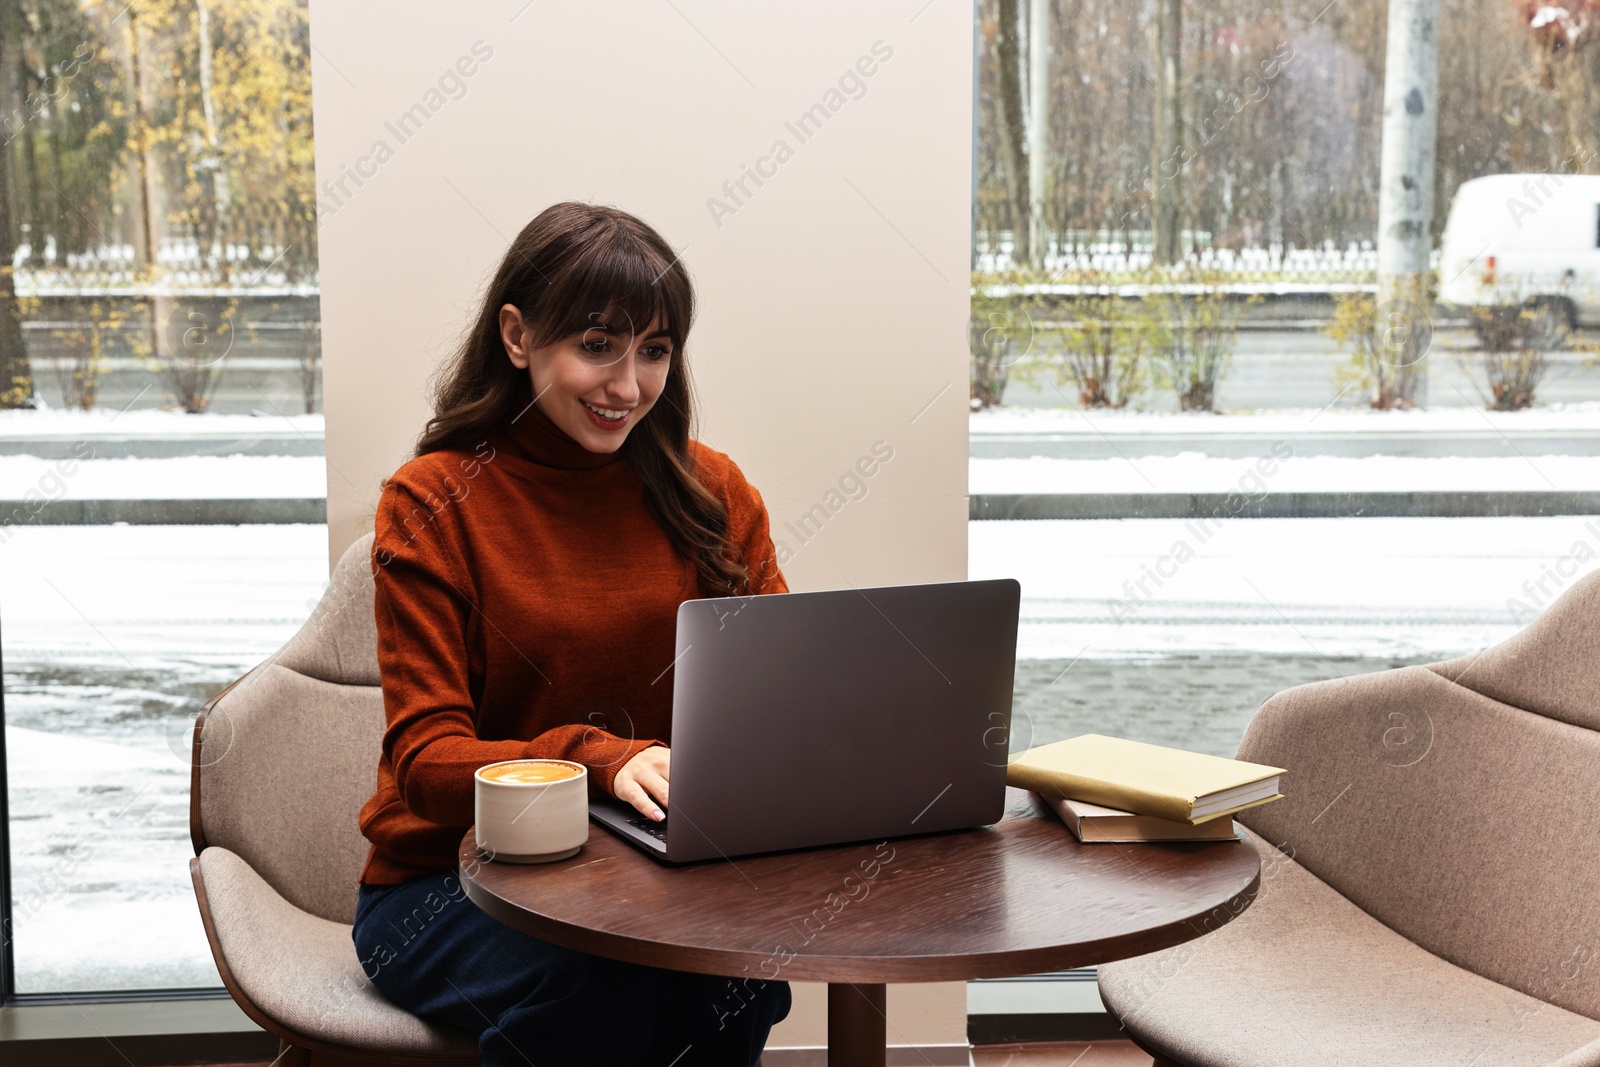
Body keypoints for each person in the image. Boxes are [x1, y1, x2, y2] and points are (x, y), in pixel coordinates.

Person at [350, 201, 792, 1065]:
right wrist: (602, 757)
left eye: (655, 351)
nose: (629, 386)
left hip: (650, 881)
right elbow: (428, 764)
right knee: (614, 980)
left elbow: (782, 692)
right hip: (448, 888)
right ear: (517, 337)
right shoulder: (430, 498)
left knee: (730, 974)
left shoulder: (713, 492)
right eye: (598, 346)